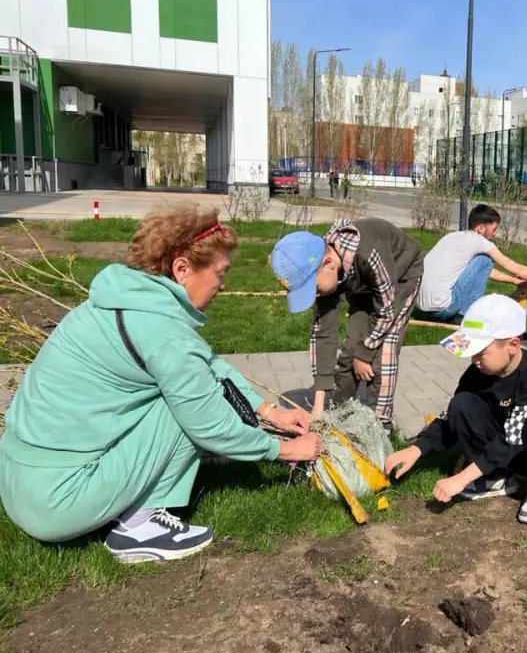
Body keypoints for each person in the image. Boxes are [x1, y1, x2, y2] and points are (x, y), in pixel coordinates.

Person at [0, 205, 321, 563]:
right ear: (182, 268)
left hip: (17, 482)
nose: (223, 285)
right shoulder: (164, 335)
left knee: (190, 389)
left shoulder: (125, 300)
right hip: (57, 500)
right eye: (220, 272)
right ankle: (138, 528)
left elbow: (205, 364)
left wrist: (270, 411)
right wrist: (288, 450)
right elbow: (210, 425)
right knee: (187, 408)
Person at [384, 294, 527, 525]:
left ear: (512, 345)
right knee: (462, 403)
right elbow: (451, 418)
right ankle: (497, 476)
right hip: (507, 445)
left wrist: (461, 478)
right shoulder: (478, 372)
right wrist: (417, 449)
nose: (474, 359)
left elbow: (513, 435)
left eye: (480, 352)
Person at [270, 219, 423, 434]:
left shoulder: (368, 252)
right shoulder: (324, 268)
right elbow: (323, 334)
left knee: (384, 350)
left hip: (401, 275)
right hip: (363, 283)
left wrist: (366, 351)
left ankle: (380, 423)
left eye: (313, 288)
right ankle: (340, 410)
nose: (314, 295)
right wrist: (318, 406)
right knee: (352, 346)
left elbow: (387, 308)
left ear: (329, 264)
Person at [417, 204, 527, 323]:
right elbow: (517, 269)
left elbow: (481, 272)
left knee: (482, 263)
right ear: (481, 228)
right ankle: (464, 316)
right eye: (494, 229)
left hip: (424, 307)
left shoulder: (454, 237)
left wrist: (514, 281)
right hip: (443, 308)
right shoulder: (479, 241)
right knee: (485, 260)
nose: (494, 234)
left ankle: (452, 315)